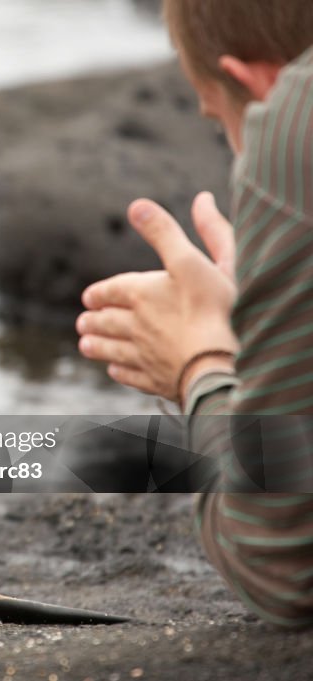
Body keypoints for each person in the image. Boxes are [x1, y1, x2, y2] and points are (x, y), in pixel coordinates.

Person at [76, 0, 313, 626]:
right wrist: (281, 307)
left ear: (253, 83)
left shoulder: (297, 111)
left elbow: (280, 561)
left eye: (220, 123)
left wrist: (205, 364)